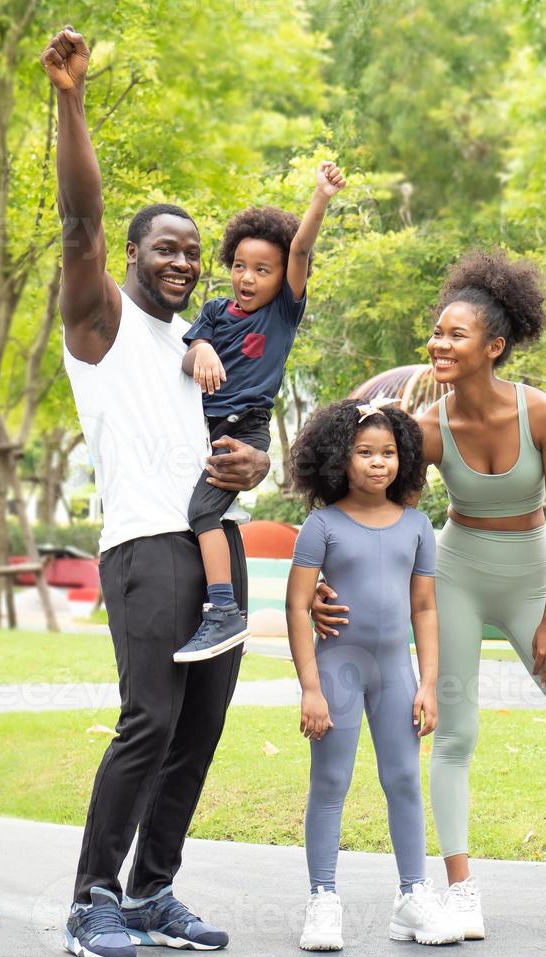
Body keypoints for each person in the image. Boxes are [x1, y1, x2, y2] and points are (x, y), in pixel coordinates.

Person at [312, 251, 546, 939]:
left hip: (529, 581)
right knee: (456, 735)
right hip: (457, 574)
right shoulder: (425, 431)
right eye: (436, 332)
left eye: (455, 334)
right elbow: (365, 506)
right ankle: (459, 892)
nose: (438, 344)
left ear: (494, 346)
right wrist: (320, 588)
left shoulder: (542, 415)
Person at [43, 26, 271, 957]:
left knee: (202, 729)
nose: (183, 262)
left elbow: (237, 453)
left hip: (217, 551)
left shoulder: (200, 352)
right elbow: (80, 224)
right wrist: (70, 100)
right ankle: (90, 901)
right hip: (144, 548)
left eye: (193, 254)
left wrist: (251, 470)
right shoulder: (100, 326)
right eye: (165, 248)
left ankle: (150, 891)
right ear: (132, 255)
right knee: (152, 720)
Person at [285, 400, 462, 951]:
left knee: (405, 781)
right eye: (364, 453)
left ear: (405, 459)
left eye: (388, 453)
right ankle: (322, 900)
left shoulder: (416, 527)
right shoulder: (321, 525)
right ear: (340, 458)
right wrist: (310, 688)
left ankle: (413, 897)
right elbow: (297, 607)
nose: (377, 463)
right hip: (338, 669)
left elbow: (426, 609)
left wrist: (429, 683)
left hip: (395, 673)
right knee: (331, 784)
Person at [174, 163, 346, 663]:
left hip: (243, 430)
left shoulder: (282, 313)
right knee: (194, 515)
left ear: (283, 278)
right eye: (240, 266)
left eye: (263, 270)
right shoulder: (212, 311)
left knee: (202, 513)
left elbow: (300, 249)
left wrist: (320, 197)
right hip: (197, 428)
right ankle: (212, 605)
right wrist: (202, 350)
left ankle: (224, 610)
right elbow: (190, 351)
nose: (248, 278)